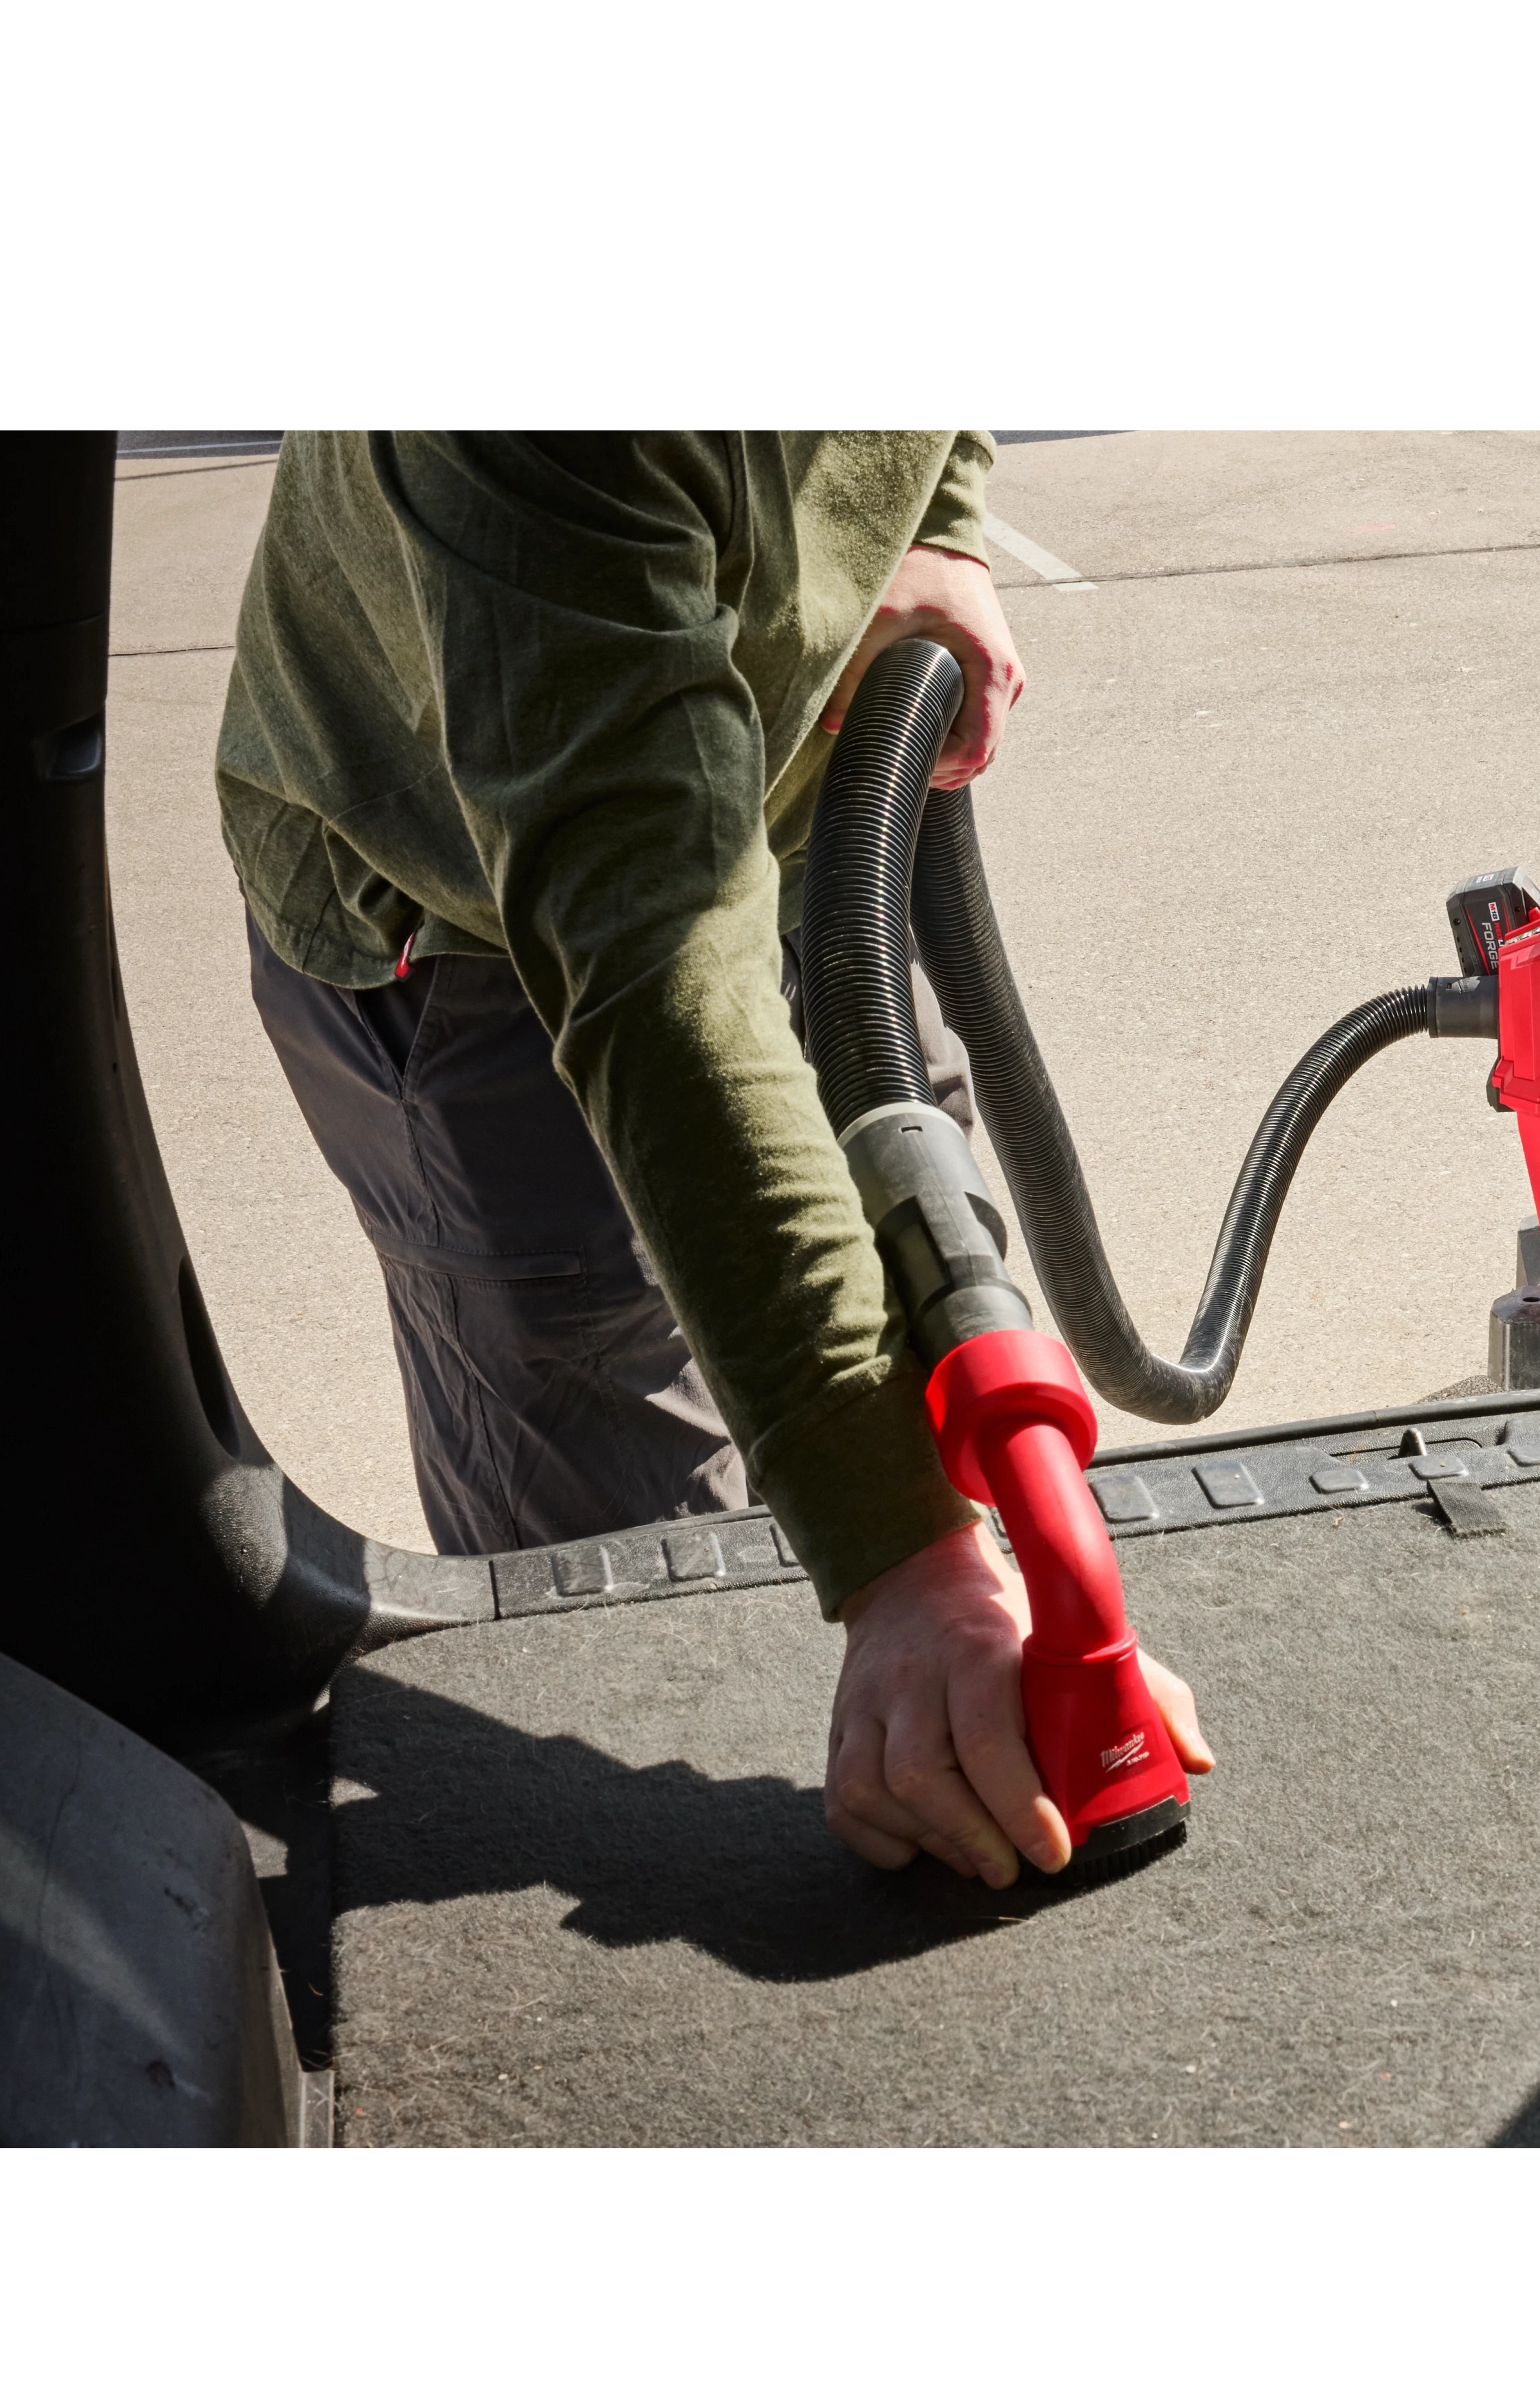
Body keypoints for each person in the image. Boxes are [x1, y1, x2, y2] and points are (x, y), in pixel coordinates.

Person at [219, 430, 1208, 1890]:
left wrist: (937, 520)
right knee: (652, 1596)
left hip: (798, 798)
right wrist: (898, 1559)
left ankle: (961, 1666)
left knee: (920, 1260)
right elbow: (654, 959)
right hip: (485, 902)